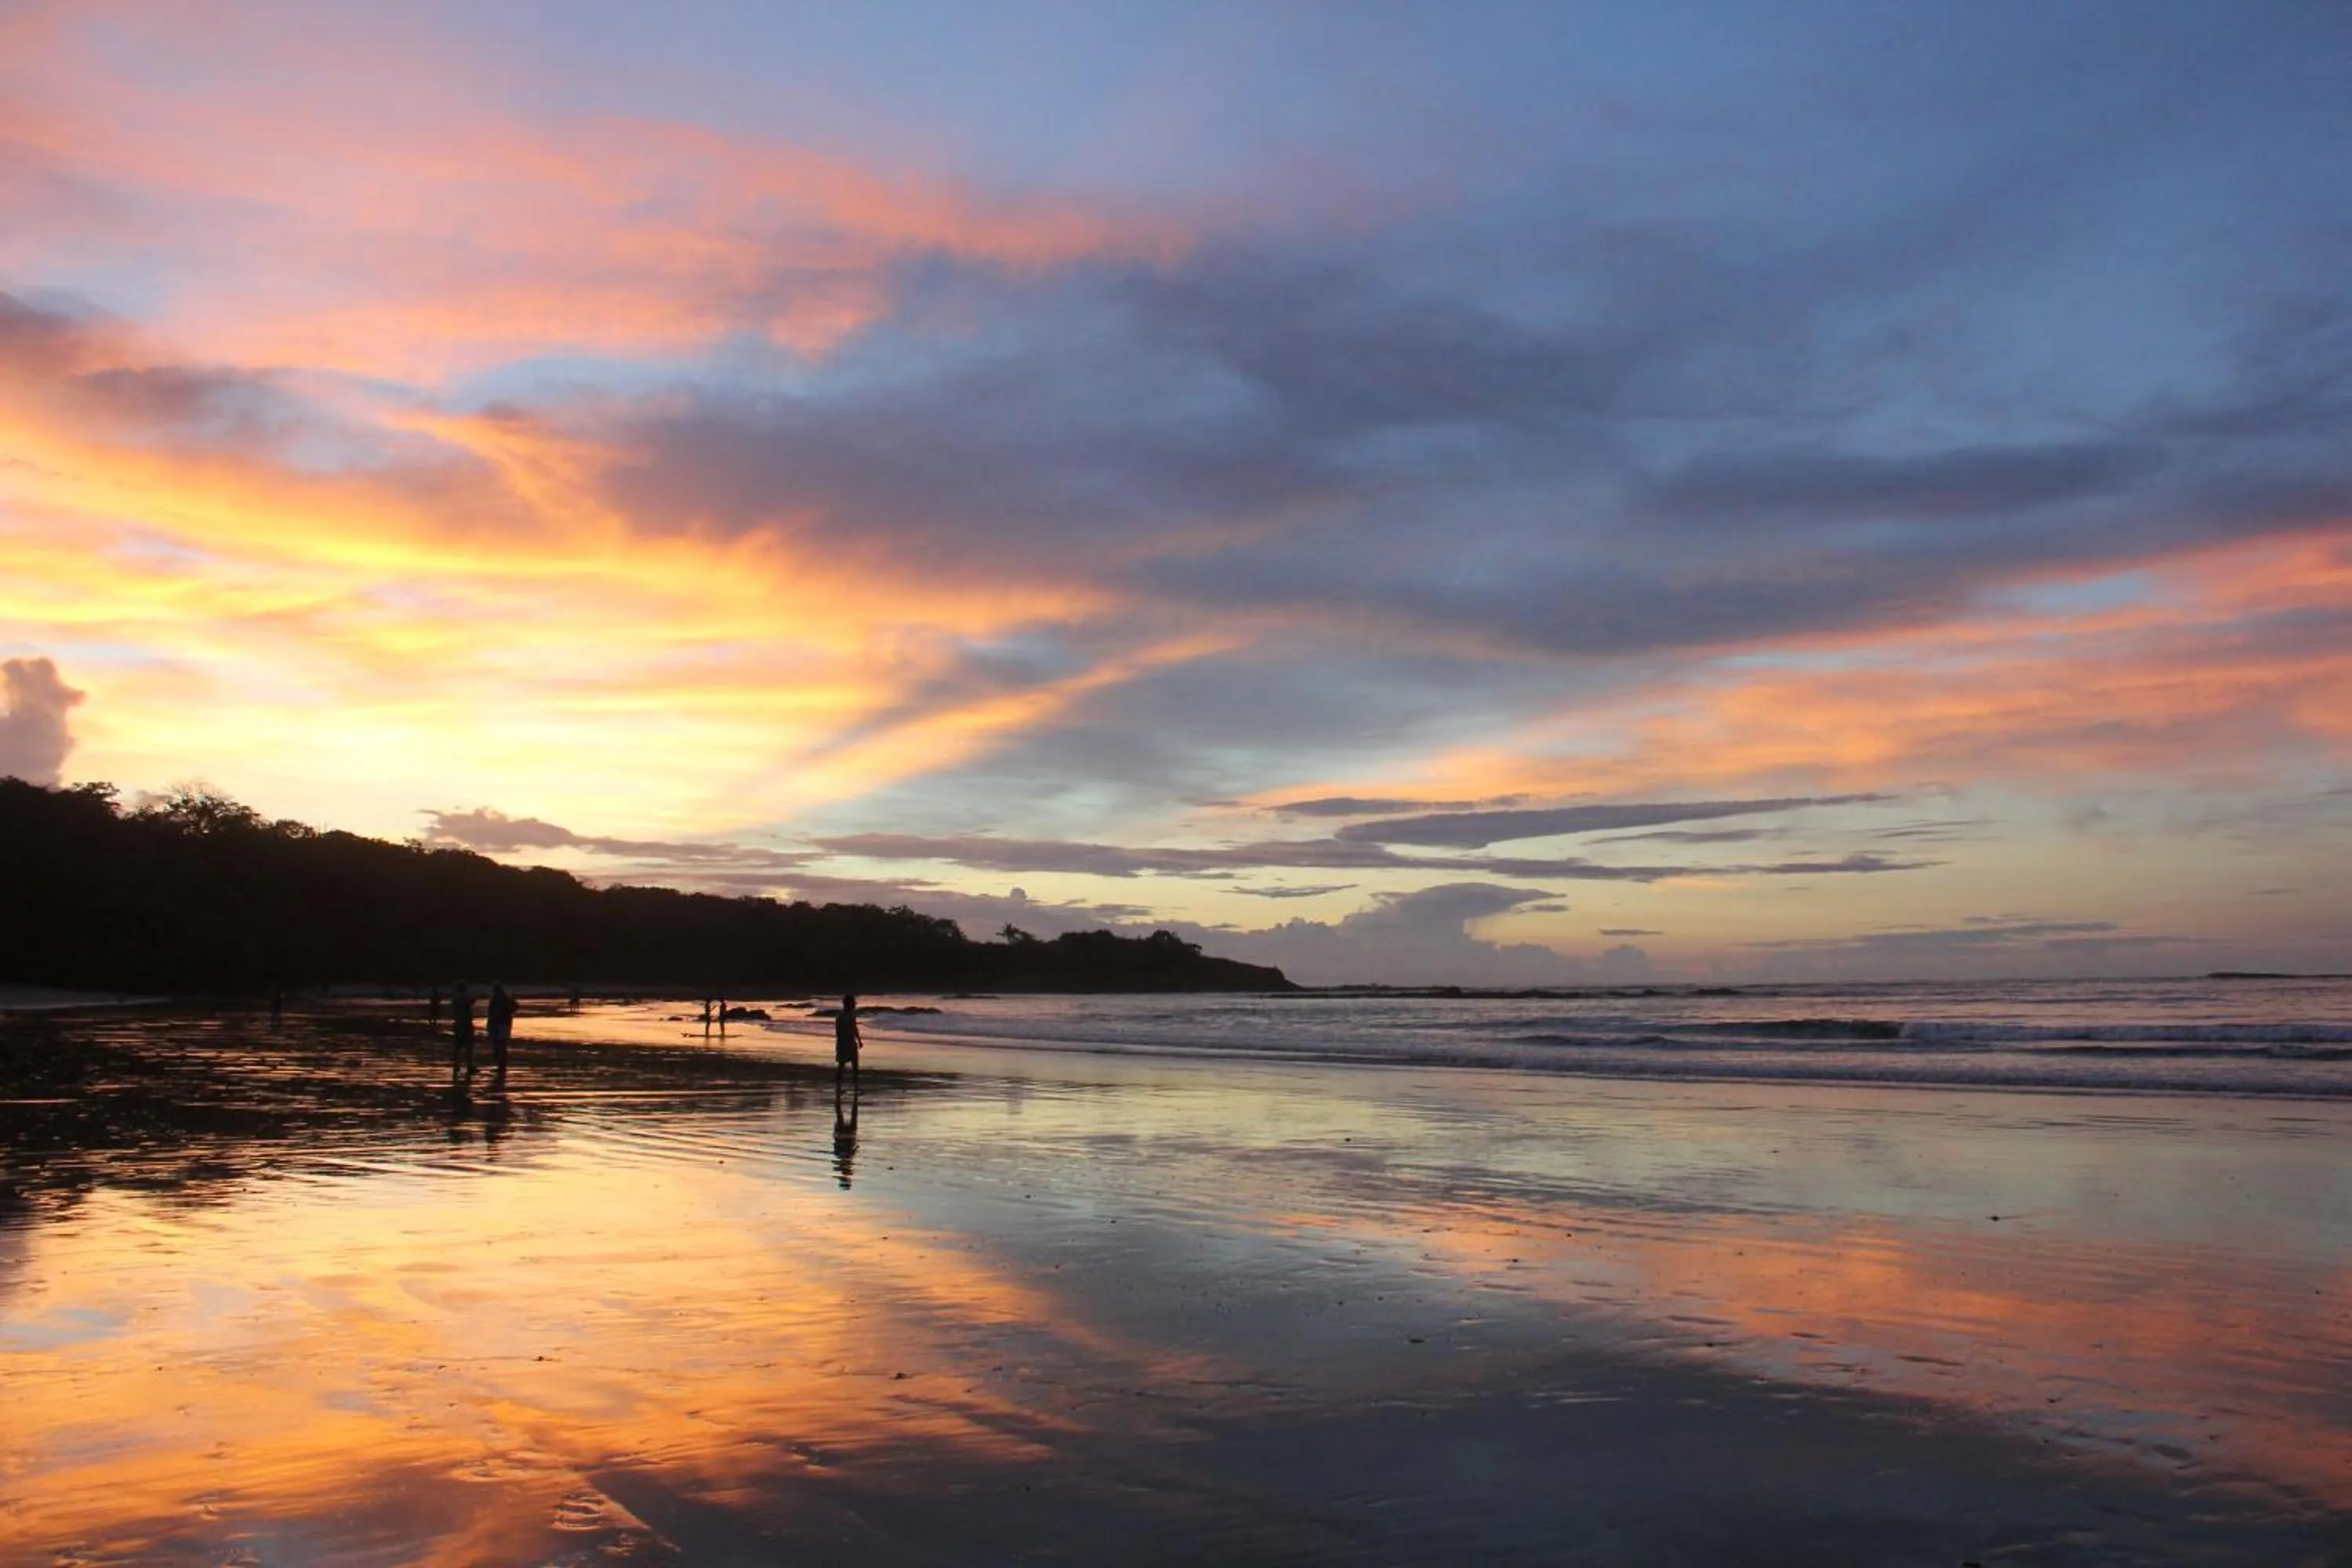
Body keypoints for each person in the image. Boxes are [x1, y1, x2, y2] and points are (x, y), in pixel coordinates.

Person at [486, 982, 517, 1091]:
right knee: (501, 1046)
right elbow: (516, 1006)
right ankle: (501, 1066)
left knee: (499, 1046)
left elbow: (492, 1014)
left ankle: (501, 1066)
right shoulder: (504, 999)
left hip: (500, 1024)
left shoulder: (498, 1000)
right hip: (504, 1024)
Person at [834, 993, 864, 1087]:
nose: (855, 1005)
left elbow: (855, 1028)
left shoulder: (852, 1015)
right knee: (842, 1065)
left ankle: (856, 1085)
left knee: (855, 1065)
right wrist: (841, 1042)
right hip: (843, 1042)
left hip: (851, 1042)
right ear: (848, 1004)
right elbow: (838, 1031)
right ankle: (838, 1085)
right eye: (853, 1003)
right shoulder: (841, 1016)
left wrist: (859, 1040)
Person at [450, 982, 476, 1089]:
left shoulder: (455, 998)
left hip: (458, 1024)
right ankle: (468, 1065)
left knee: (458, 1046)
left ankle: (456, 1065)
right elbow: (472, 1001)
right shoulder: (463, 998)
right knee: (468, 1046)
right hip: (465, 1024)